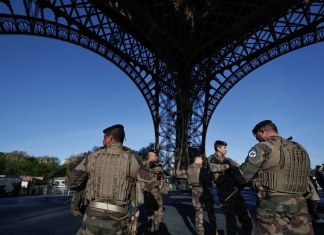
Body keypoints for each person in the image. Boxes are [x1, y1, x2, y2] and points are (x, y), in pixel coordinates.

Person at [65, 124, 154, 235]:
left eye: (104, 138)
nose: (103, 141)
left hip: (92, 214)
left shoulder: (91, 157)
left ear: (109, 138)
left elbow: (70, 183)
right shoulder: (134, 159)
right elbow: (151, 185)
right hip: (120, 218)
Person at [239, 120, 314, 234]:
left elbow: (244, 174)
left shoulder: (263, 147)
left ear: (263, 131)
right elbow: (307, 173)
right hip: (300, 201)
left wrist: (255, 183)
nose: (256, 138)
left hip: (272, 203)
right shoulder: (299, 148)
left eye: (256, 135)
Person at [208, 140, 253, 235]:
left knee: (244, 215)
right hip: (223, 191)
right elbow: (212, 167)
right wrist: (228, 166)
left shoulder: (229, 159)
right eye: (224, 147)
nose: (226, 149)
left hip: (235, 189)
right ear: (218, 148)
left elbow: (239, 167)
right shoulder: (212, 158)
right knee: (230, 219)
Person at [187, 154, 220, 235]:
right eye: (202, 160)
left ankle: (200, 232)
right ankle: (214, 231)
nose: (202, 161)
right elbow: (208, 182)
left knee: (198, 212)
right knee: (210, 212)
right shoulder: (201, 168)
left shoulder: (189, 168)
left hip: (194, 190)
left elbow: (189, 181)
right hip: (203, 191)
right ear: (198, 159)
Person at [142, 150, 168, 234]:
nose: (157, 157)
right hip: (155, 193)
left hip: (146, 193)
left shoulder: (141, 165)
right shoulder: (157, 167)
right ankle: (155, 230)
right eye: (155, 156)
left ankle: (151, 230)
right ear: (151, 156)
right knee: (158, 214)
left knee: (150, 214)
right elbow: (159, 181)